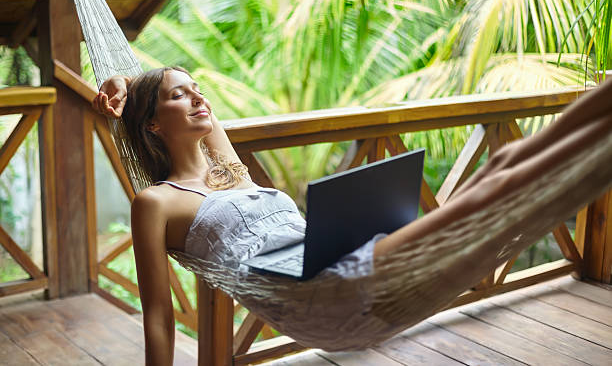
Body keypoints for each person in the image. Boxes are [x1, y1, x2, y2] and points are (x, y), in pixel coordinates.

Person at [93, 68, 612, 365]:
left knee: (507, 168)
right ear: (154, 124)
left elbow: (150, 80)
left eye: (197, 88)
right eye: (178, 95)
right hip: (317, 292)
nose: (199, 98)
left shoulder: (228, 169)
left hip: (341, 257)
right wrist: (123, 85)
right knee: (502, 174)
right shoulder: (156, 202)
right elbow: (158, 314)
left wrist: (121, 74)